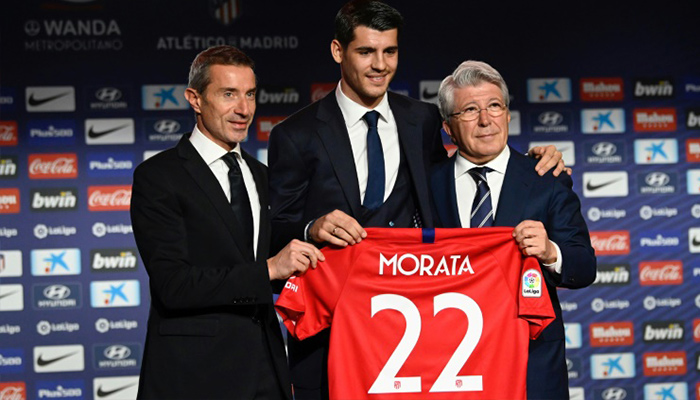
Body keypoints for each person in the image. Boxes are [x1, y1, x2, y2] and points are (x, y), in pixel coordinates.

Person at [267, 1, 567, 398]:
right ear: (338, 51)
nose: (380, 65)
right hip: (334, 338)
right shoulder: (295, 135)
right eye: (366, 52)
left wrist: (533, 163)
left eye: (389, 51)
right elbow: (272, 236)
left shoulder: (422, 121)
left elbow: (464, 173)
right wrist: (311, 228)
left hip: (418, 342)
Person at [130, 45, 324, 400]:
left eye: (250, 94)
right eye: (229, 94)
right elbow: (173, 285)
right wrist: (268, 269)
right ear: (195, 99)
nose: (244, 109)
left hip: (266, 370)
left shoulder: (262, 175)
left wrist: (312, 231)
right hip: (194, 376)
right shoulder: (158, 177)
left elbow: (269, 253)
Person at [430, 60, 597, 399]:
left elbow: (584, 267)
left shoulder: (547, 179)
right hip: (449, 362)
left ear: (507, 115)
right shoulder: (427, 185)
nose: (485, 120)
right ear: (448, 127)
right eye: (470, 110)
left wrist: (551, 252)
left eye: (494, 106)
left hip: (531, 362)